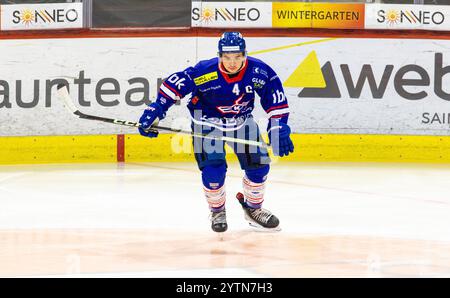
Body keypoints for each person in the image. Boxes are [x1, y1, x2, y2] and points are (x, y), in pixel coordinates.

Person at [138, 32, 294, 233]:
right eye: (227, 57)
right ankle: (217, 211)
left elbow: (276, 99)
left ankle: (254, 210)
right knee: (214, 172)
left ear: (244, 54)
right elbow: (174, 84)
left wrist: (278, 126)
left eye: (237, 57)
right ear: (220, 55)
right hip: (206, 123)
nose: (232, 62)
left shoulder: (259, 71)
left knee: (259, 167)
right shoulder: (205, 71)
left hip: (242, 122)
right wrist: (156, 108)